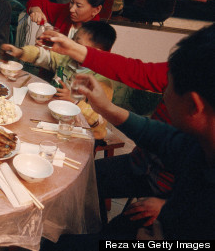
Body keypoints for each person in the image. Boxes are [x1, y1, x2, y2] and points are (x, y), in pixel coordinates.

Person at [42, 24, 215, 248]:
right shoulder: (196, 143)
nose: (163, 92)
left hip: (163, 216)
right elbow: (162, 137)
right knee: (77, 181)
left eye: (166, 87)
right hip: (145, 171)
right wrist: (106, 107)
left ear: (194, 106)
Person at [39, 29, 175, 227]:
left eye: (170, 89)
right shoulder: (184, 74)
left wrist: (169, 204)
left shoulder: (199, 140)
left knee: (111, 235)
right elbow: (134, 71)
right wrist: (75, 49)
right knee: (72, 182)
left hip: (176, 197)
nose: (165, 91)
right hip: (141, 165)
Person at [1, 21, 117, 139]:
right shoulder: (68, 59)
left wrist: (74, 101)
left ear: (97, 53)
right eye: (72, 40)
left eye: (77, 44)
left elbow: (99, 119)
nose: (71, 45)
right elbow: (43, 56)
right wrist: (20, 52)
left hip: (84, 132)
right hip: (57, 118)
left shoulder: (102, 81)